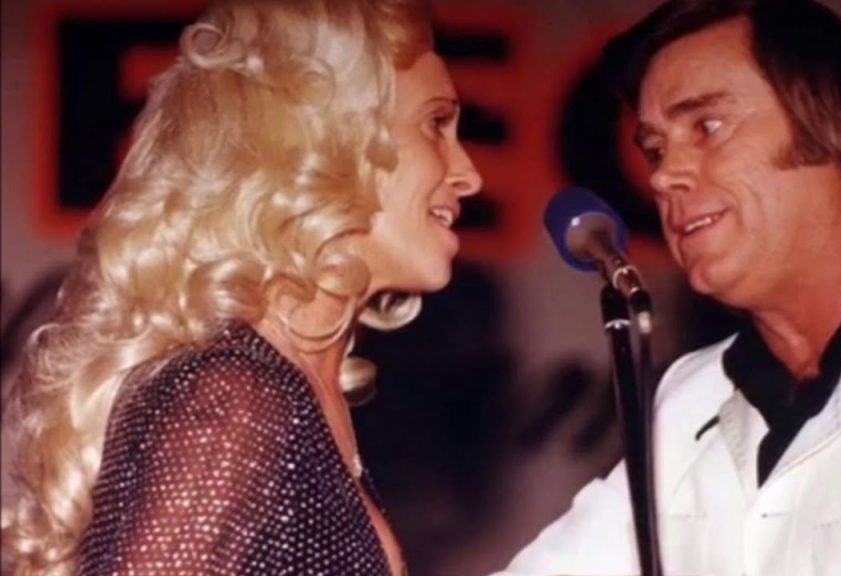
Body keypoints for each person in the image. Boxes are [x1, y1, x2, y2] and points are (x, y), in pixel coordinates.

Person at [494, 0, 841, 575]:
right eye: (655, 150)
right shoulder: (689, 401)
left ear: (838, 126)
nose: (663, 176)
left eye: (707, 127)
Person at [1, 0, 481, 574]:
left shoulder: (287, 396)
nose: (469, 175)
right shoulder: (235, 396)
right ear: (323, 138)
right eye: (435, 124)